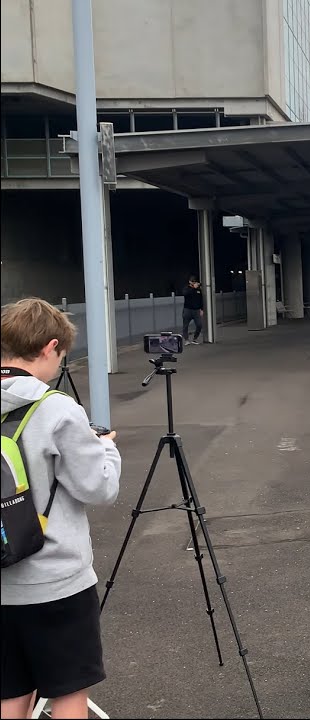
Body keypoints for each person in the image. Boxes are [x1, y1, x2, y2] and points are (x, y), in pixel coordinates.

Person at [1, 298, 121, 720]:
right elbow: (97, 488)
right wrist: (106, 449)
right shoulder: (56, 408)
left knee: (11, 694)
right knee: (68, 694)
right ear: (50, 347)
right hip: (55, 583)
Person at [181, 277, 204, 345]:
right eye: (192, 281)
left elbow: (201, 300)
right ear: (190, 282)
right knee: (185, 325)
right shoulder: (186, 289)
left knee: (199, 325)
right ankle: (186, 340)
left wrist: (202, 309)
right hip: (187, 310)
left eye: (195, 282)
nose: (194, 283)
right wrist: (193, 288)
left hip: (196, 310)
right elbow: (185, 294)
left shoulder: (199, 290)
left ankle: (195, 339)